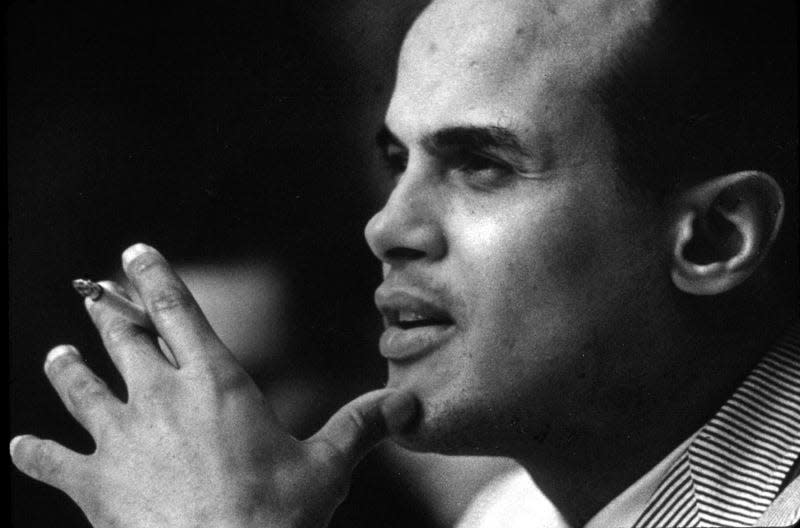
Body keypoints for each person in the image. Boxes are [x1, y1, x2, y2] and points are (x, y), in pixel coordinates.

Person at [10, 0, 798, 526]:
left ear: (716, 239)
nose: (387, 225)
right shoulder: (512, 516)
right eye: (397, 162)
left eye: (481, 164)